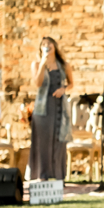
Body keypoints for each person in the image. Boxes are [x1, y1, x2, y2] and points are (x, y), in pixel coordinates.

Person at [29, 37, 72, 181]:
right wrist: (43, 63)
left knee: (59, 140)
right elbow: (37, 83)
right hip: (42, 109)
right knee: (43, 142)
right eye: (43, 44)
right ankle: (43, 175)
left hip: (59, 107)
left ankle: (59, 176)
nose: (47, 46)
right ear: (41, 49)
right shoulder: (36, 64)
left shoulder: (64, 65)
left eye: (49, 43)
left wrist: (63, 89)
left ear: (54, 46)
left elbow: (71, 84)